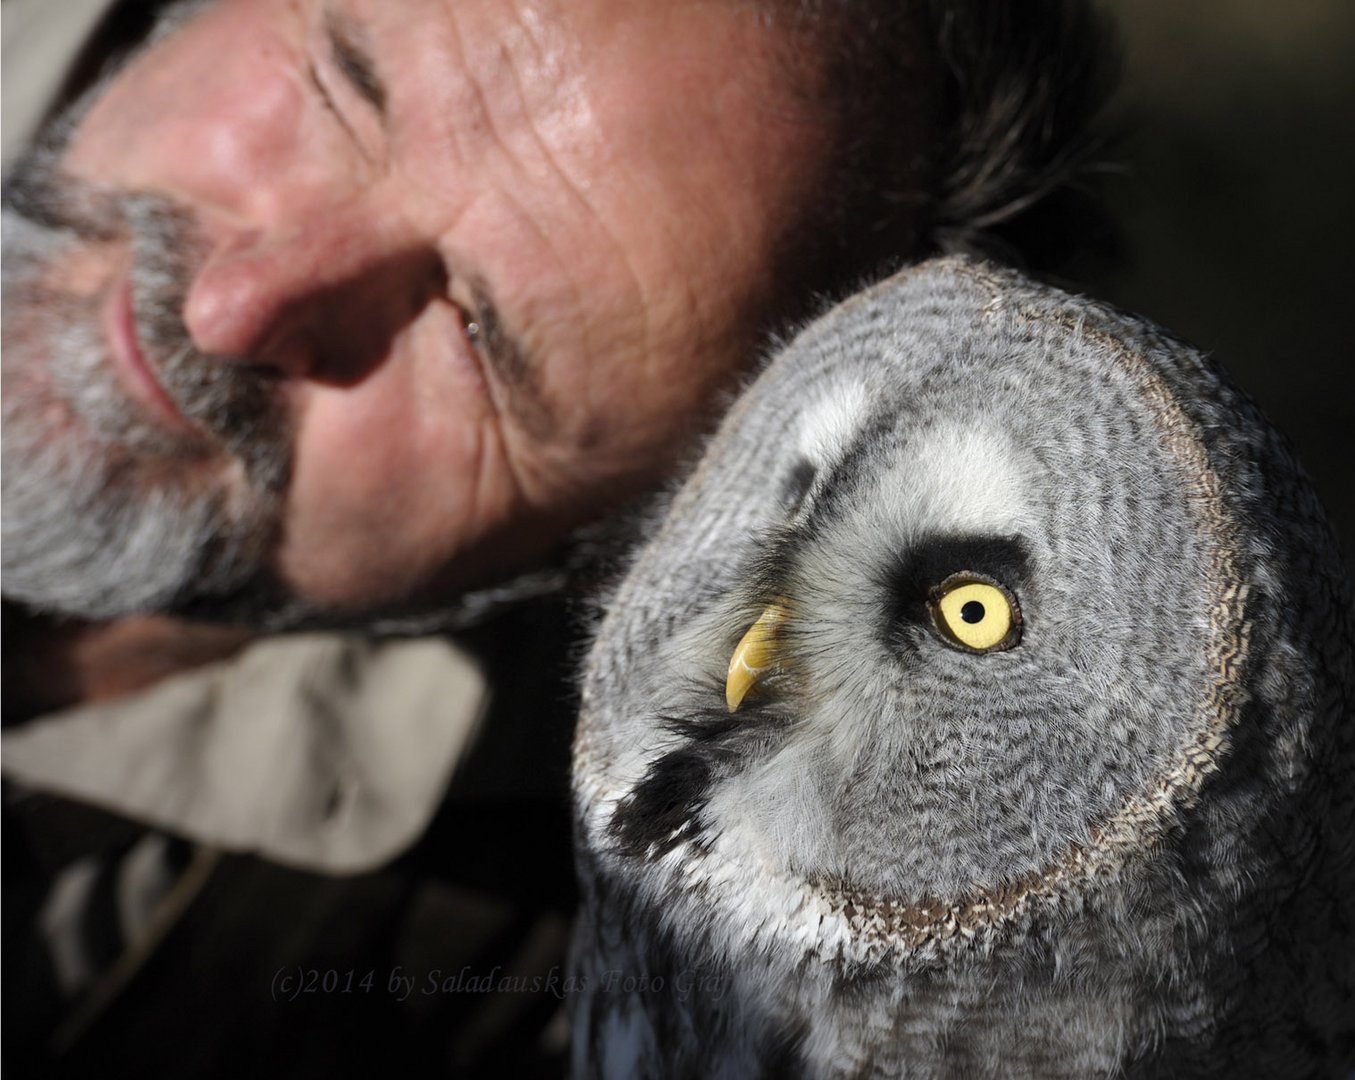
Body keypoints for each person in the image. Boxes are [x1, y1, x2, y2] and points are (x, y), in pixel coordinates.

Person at [1, 0, 1114, 1074]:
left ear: (606, 559)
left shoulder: (548, 973)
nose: (233, 304)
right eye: (344, 87)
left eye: (477, 340)